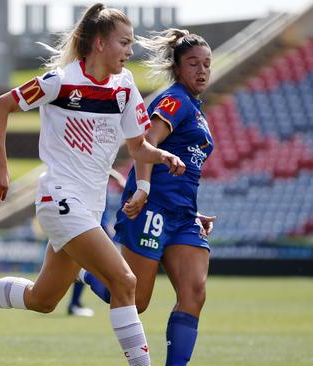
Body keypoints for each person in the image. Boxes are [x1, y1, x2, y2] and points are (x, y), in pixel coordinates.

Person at [0, 4, 186, 366]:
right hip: (60, 198)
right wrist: (1, 168)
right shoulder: (59, 81)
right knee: (125, 281)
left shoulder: (125, 89)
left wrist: (162, 157)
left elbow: (138, 147)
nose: (129, 50)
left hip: (88, 206)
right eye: (124, 42)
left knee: (42, 300)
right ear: (100, 42)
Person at [80, 29, 216, 366]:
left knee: (194, 293)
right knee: (135, 300)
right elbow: (144, 147)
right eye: (193, 63)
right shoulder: (175, 100)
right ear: (177, 67)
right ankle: (85, 268)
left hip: (183, 215)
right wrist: (145, 190)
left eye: (207, 64)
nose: (201, 70)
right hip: (152, 207)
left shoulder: (195, 108)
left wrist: (193, 213)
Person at [67, 169, 126, 317]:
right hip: (93, 223)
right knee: (116, 273)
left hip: (97, 222)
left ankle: (75, 301)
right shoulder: (88, 165)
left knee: (117, 275)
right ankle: (75, 300)